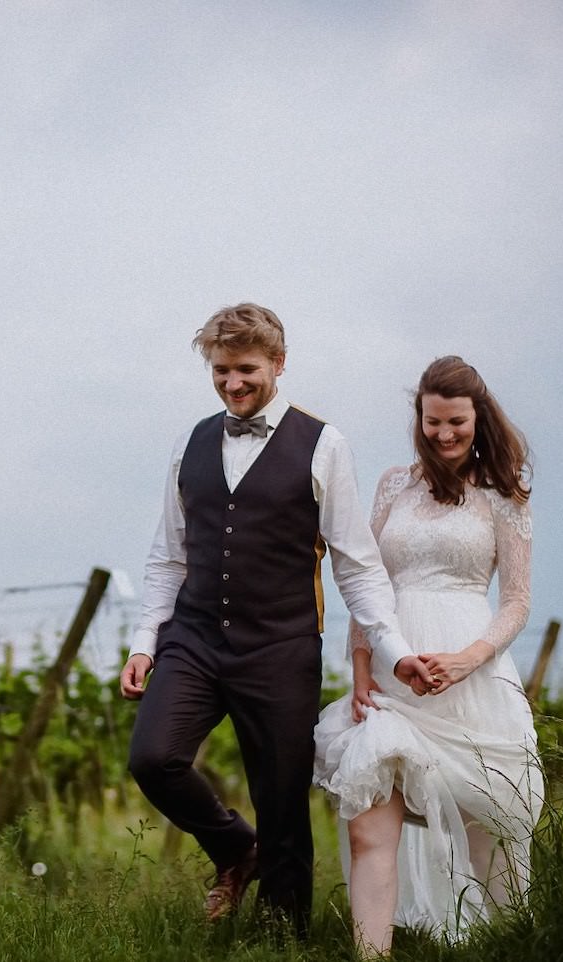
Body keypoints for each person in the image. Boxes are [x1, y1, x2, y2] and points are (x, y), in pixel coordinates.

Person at [120, 303, 432, 935]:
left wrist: (392, 647)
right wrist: (145, 641)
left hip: (281, 647)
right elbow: (167, 554)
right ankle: (237, 848)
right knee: (153, 757)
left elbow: (356, 563)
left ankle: (282, 939)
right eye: (220, 371)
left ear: (279, 364)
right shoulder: (190, 441)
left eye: (246, 370)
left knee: (282, 800)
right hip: (195, 639)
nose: (232, 384)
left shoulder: (324, 444)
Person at [312, 355, 543, 957]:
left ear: (479, 417)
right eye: (432, 421)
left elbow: (516, 601)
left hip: (471, 675)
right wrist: (362, 673)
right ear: (419, 417)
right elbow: (369, 583)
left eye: (457, 423)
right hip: (392, 674)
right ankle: (372, 954)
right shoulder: (395, 484)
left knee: (487, 829)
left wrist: (469, 659)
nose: (444, 435)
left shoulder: (504, 494)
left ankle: (516, 944)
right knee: (369, 825)